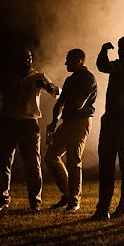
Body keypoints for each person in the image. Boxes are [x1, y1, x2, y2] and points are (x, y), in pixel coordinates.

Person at [0, 47, 58, 212]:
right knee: (3, 163)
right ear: (16, 60)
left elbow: (57, 92)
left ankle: (35, 201)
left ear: (31, 59)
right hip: (7, 122)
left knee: (32, 164)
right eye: (23, 58)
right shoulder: (6, 78)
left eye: (28, 57)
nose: (27, 60)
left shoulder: (38, 77)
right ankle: (3, 199)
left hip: (28, 124)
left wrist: (48, 87)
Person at [91, 35, 124, 220]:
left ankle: (103, 208)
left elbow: (102, 66)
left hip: (115, 114)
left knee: (107, 162)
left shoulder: (121, 65)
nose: (121, 51)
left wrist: (104, 50)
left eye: (123, 47)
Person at [45, 48, 97, 213]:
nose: (65, 62)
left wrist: (62, 110)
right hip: (68, 122)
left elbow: (76, 104)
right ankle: (68, 194)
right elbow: (60, 102)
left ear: (79, 60)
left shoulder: (88, 79)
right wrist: (54, 122)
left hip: (80, 122)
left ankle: (74, 200)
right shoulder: (70, 80)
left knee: (73, 160)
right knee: (51, 157)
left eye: (69, 59)